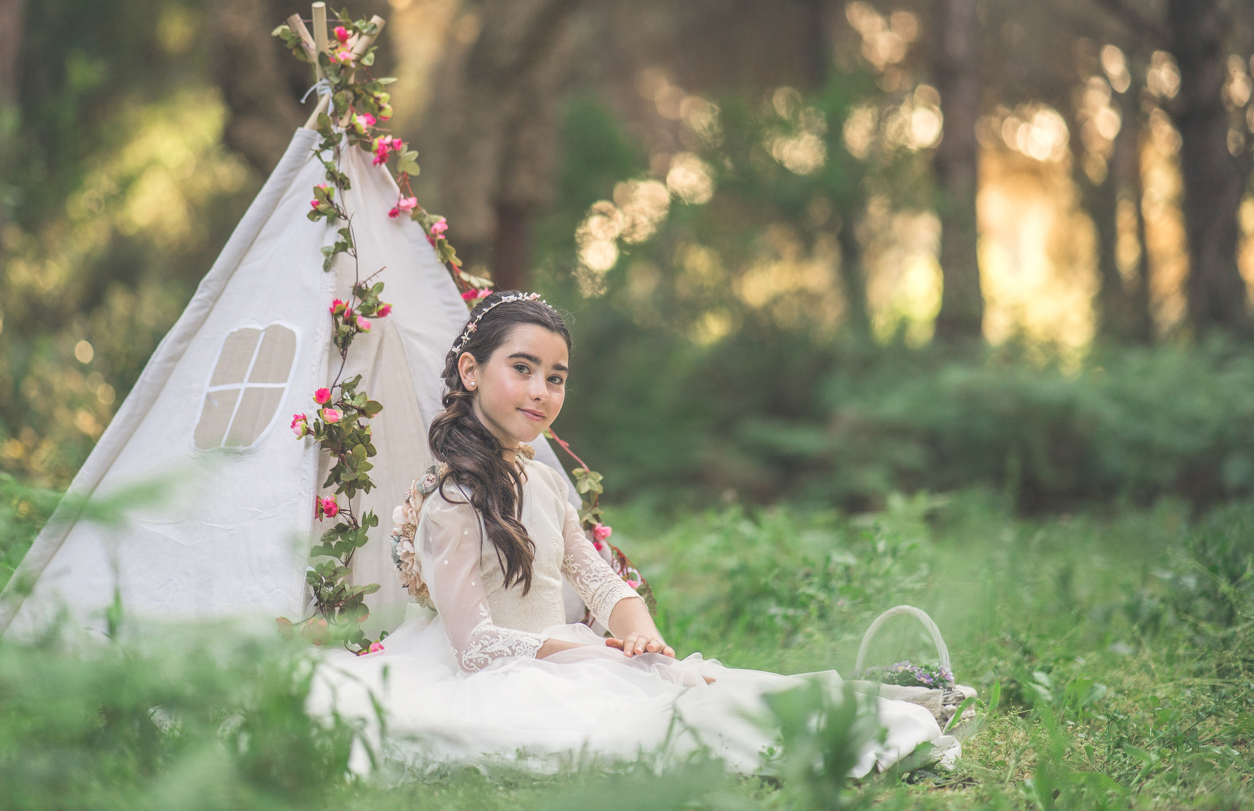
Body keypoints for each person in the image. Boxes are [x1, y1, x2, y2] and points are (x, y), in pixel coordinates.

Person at [310, 291, 957, 775]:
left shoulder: (539, 480)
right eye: (523, 369)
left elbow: (591, 571)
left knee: (702, 686)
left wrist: (638, 630)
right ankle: (852, 732)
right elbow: (476, 644)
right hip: (508, 669)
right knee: (657, 726)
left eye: (556, 377)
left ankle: (880, 711)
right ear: (473, 372)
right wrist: (599, 656)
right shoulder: (453, 499)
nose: (541, 391)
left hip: (571, 651)